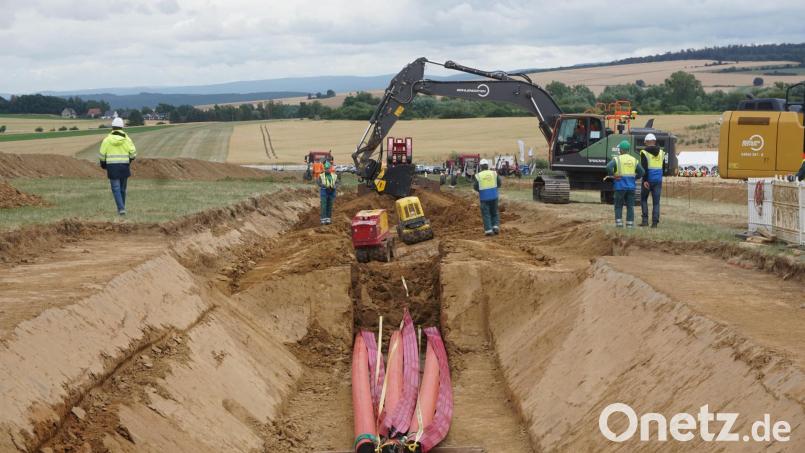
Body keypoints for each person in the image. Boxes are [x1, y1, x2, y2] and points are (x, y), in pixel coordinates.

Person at [98, 117, 137, 215]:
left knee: (116, 189)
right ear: (122, 127)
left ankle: (121, 209)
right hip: (124, 166)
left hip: (112, 167)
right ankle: (122, 208)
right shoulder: (127, 139)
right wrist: (129, 160)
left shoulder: (107, 140)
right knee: (122, 189)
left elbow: (102, 155)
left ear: (112, 127)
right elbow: (133, 154)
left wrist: (103, 164)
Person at [607, 140, 645, 228]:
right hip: (631, 187)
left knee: (618, 206)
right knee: (630, 206)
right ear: (628, 149)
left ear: (621, 149)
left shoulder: (617, 159)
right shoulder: (634, 160)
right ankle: (630, 225)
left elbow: (608, 167)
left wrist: (613, 175)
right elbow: (642, 172)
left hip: (620, 187)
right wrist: (635, 177)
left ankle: (619, 224)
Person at [639, 133, 666, 228]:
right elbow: (664, 167)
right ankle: (655, 223)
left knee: (643, 199)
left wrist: (645, 180)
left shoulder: (644, 152)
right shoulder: (662, 152)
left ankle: (645, 221)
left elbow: (644, 168)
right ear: (654, 141)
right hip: (658, 179)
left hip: (648, 179)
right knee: (656, 202)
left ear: (646, 142)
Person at [473, 158, 502, 236]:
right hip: (494, 196)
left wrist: (481, 190)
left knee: (486, 213)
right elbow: (499, 183)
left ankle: (489, 230)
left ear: (481, 166)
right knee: (494, 212)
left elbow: (475, 187)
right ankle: (495, 226)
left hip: (484, 197)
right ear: (487, 166)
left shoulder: (478, 175)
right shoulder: (494, 173)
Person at [317, 160, 338, 225]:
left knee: (330, 205)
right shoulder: (321, 175)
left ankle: (328, 219)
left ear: (330, 168)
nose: (327, 170)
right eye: (326, 169)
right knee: (324, 205)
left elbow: (337, 183)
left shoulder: (334, 175)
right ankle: (323, 219)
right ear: (324, 168)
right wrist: (323, 185)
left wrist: (335, 186)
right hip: (324, 191)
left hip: (332, 191)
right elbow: (318, 183)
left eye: (328, 168)